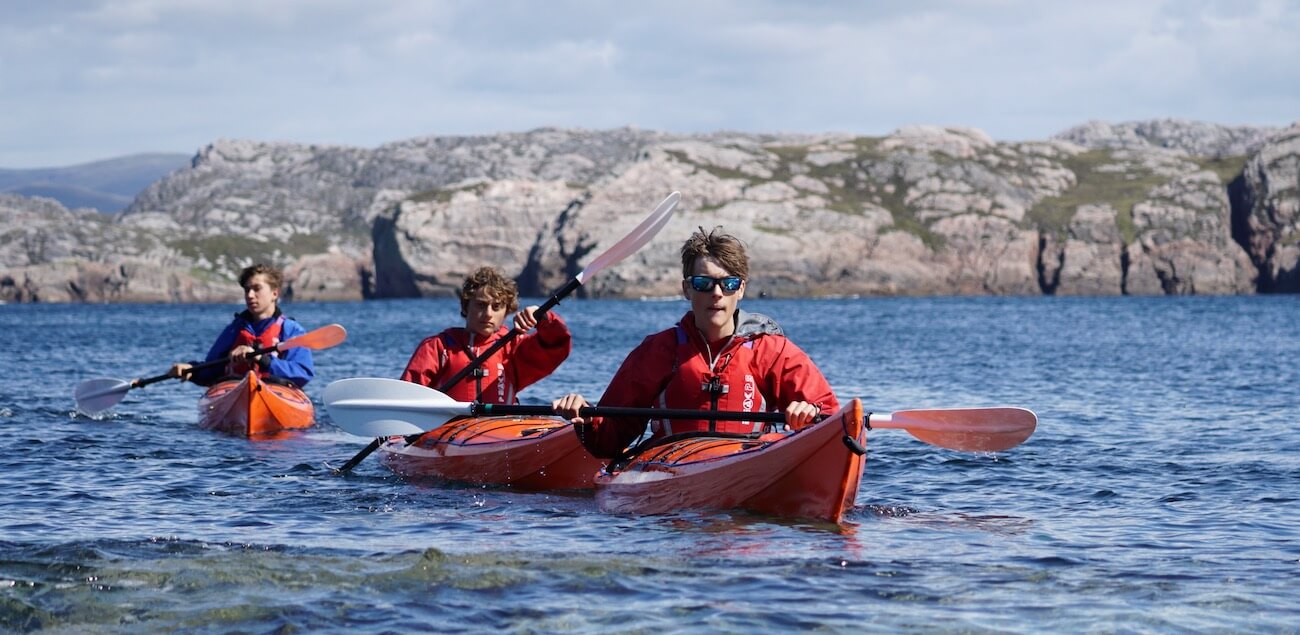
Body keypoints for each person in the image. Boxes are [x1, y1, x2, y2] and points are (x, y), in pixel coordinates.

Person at [553, 227, 838, 459]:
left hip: (748, 459)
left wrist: (808, 415)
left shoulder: (772, 350)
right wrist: (587, 418)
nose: (716, 293)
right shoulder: (658, 351)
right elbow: (608, 442)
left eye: (727, 284)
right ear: (687, 289)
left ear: (740, 289)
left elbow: (829, 416)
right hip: (674, 464)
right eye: (703, 283)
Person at [400, 266, 571, 403]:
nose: (488, 314)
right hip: (448, 434)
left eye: (496, 307)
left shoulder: (514, 348)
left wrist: (543, 318)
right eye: (481, 305)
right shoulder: (438, 347)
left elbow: (557, 345)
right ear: (466, 307)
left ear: (506, 312)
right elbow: (406, 397)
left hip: (501, 430)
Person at [169, 263, 315, 387]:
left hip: (276, 390)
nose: (250, 295)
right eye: (247, 290)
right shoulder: (234, 330)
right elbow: (212, 370)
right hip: (236, 390)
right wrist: (191, 369)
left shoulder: (291, 330)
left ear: (274, 294)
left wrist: (262, 359)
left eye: (257, 289)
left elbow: (303, 373)